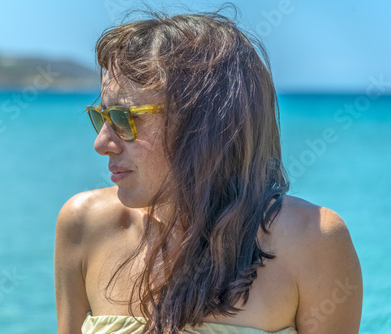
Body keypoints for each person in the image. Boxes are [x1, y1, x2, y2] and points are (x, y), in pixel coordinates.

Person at [54, 7, 362, 334]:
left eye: (124, 119)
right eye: (102, 117)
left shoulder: (313, 241)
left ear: (206, 124)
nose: (102, 143)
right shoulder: (84, 224)